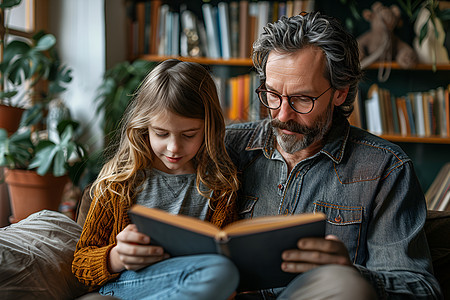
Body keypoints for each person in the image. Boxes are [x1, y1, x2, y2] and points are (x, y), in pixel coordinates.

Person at [226, 12, 443, 299]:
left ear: (340, 92)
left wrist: (350, 272)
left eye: (302, 98)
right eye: (272, 94)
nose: (282, 114)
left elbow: (421, 290)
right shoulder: (229, 147)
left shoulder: (385, 168)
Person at [72, 59, 240, 300]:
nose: (174, 148)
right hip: (125, 284)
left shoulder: (221, 186)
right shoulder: (119, 182)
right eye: (161, 133)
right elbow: (80, 266)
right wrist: (117, 257)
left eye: (189, 134)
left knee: (222, 273)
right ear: (144, 127)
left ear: (208, 128)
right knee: (220, 272)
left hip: (193, 283)